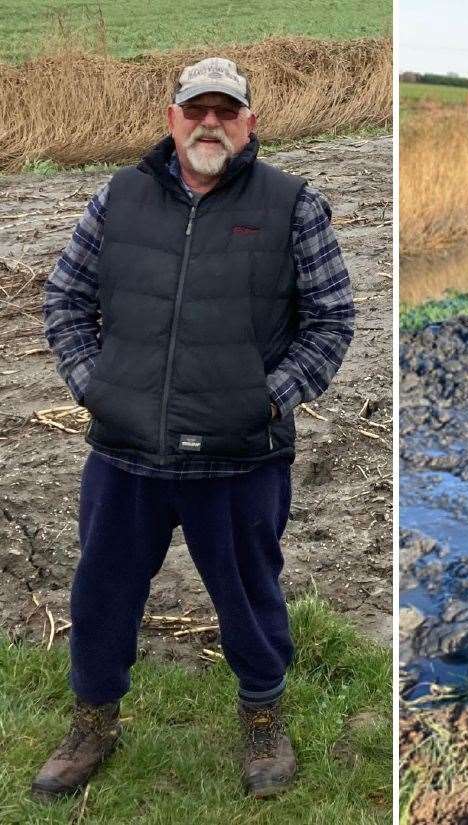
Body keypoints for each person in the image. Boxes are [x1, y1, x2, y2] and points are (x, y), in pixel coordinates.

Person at [35, 57, 355, 800]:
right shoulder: (119, 197)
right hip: (125, 454)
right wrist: (98, 389)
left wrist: (267, 401)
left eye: (226, 110)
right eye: (195, 109)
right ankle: (93, 721)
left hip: (240, 458)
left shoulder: (292, 205)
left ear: (249, 123)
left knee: (249, 595)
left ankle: (261, 718)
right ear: (172, 118)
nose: (210, 122)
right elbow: (63, 301)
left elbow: (333, 319)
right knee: (101, 592)